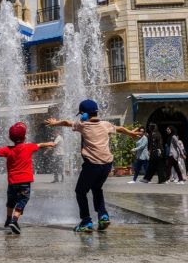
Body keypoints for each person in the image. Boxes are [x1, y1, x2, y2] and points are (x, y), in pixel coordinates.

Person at [45, 99, 140, 233]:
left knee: (80, 191)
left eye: (81, 114)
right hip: (107, 165)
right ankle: (103, 216)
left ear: (83, 114)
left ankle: (86, 221)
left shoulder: (83, 125)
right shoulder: (105, 124)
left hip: (92, 165)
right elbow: (119, 129)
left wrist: (55, 123)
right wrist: (130, 133)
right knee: (97, 188)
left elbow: (67, 122)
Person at [0, 122, 55, 235]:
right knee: (22, 200)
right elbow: (40, 145)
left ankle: (7, 219)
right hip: (25, 182)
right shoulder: (28, 147)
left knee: (11, 201)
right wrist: (49, 143)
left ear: (10, 138)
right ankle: (14, 220)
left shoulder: (7, 149)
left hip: (12, 182)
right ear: (25, 137)